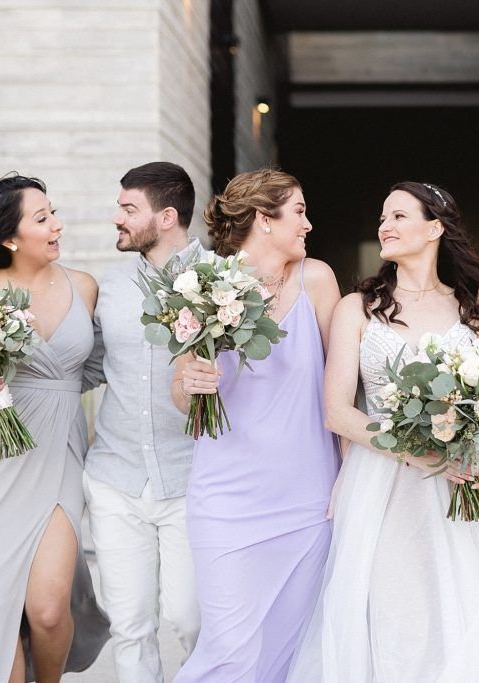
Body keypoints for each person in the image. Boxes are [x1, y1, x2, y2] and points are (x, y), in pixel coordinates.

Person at [288, 181, 479, 681]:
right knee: (391, 615)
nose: (384, 226)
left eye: (397, 216)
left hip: (466, 484)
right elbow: (337, 412)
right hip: (383, 486)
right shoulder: (358, 308)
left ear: (434, 227)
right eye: (382, 218)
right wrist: (428, 457)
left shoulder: (474, 308)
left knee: (465, 611)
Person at [0, 174, 109, 682]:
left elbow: (101, 366)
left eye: (53, 213)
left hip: (57, 457)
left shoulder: (84, 287)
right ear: (10, 238)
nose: (57, 225)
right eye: (43, 219)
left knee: (50, 610)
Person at [171, 168, 342, 681]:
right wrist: (192, 383)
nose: (308, 224)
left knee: (288, 650)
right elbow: (179, 394)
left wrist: (348, 478)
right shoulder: (200, 287)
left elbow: (343, 387)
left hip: (307, 499)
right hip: (226, 498)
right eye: (299, 211)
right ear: (265, 220)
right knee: (228, 650)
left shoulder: (317, 279)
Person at [82, 161, 202, 681]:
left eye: (129, 209)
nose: (117, 218)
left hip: (193, 477)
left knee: (191, 618)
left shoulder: (227, 283)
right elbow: (88, 366)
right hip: (115, 475)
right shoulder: (110, 285)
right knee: (129, 625)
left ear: (167, 216)